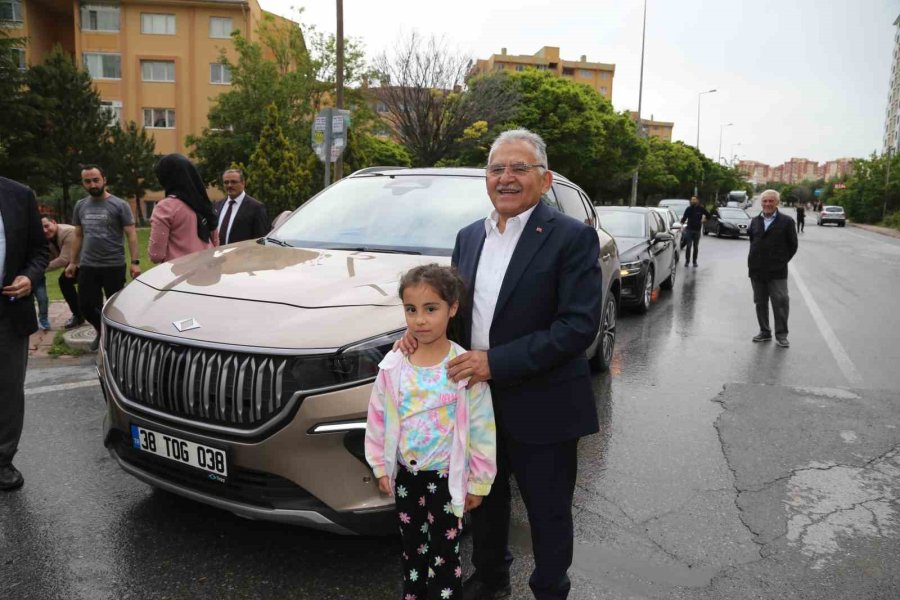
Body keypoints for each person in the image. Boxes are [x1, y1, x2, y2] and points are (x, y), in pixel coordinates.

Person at [402, 129, 603, 599]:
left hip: (545, 403)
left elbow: (577, 327)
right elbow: (452, 309)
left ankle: (550, 587)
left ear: (544, 178)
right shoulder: (469, 236)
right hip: (476, 401)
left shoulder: (572, 237)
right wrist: (417, 336)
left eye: (519, 168)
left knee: (548, 510)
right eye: (496, 169)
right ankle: (491, 579)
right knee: (483, 502)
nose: (506, 178)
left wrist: (496, 362)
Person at [365, 264, 497, 600]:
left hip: (446, 480)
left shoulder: (463, 368)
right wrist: (381, 465)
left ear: (452, 309)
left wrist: (478, 482)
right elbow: (378, 417)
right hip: (408, 477)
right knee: (412, 551)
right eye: (411, 310)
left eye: (431, 309)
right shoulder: (393, 366)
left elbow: (482, 428)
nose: (420, 320)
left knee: (444, 554)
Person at [0, 176, 49, 491]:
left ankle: (2, 459)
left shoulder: (18, 195)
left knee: (8, 387)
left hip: (8, 307)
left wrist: (30, 277)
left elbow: (39, 251)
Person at [64, 165, 141, 352]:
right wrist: (73, 262)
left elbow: (131, 234)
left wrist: (135, 262)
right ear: (83, 183)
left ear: (104, 179)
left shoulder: (119, 205)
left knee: (115, 306)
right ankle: (103, 331)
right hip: (88, 265)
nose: (92, 184)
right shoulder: (80, 205)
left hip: (113, 264)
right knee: (86, 306)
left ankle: (116, 338)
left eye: (96, 179)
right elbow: (78, 234)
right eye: (87, 181)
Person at [748, 189, 798, 348]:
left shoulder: (787, 221)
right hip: (756, 270)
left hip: (777, 272)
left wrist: (780, 262)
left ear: (777, 202)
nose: (767, 204)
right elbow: (752, 241)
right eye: (765, 201)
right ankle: (764, 331)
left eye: (771, 201)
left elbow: (793, 245)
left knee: (781, 302)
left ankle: (782, 335)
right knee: (760, 302)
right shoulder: (755, 221)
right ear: (761, 203)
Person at [149, 154, 220, 263]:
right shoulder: (205, 204)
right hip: (207, 272)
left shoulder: (165, 208)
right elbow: (216, 244)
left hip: (178, 274)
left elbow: (156, 255)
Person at [41, 217, 84, 329]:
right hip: (75, 265)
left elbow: (64, 259)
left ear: (54, 222)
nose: (45, 230)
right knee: (64, 282)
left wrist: (39, 269)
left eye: (47, 226)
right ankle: (78, 315)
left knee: (84, 291)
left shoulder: (68, 232)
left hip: (89, 264)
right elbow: (50, 256)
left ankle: (84, 314)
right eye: (41, 228)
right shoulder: (49, 237)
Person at [215, 169, 269, 245]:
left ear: (243, 183)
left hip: (242, 255)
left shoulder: (256, 208)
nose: (229, 185)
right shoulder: (218, 205)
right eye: (226, 182)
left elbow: (260, 239)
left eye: (233, 182)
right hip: (218, 254)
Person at [679, 196, 709, 267]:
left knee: (695, 247)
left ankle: (694, 261)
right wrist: (681, 226)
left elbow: (708, 215)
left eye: (694, 200)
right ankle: (687, 261)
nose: (692, 201)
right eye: (691, 200)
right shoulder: (688, 209)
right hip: (689, 230)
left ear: (697, 201)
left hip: (697, 231)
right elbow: (684, 218)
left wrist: (704, 220)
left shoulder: (701, 209)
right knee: (688, 246)